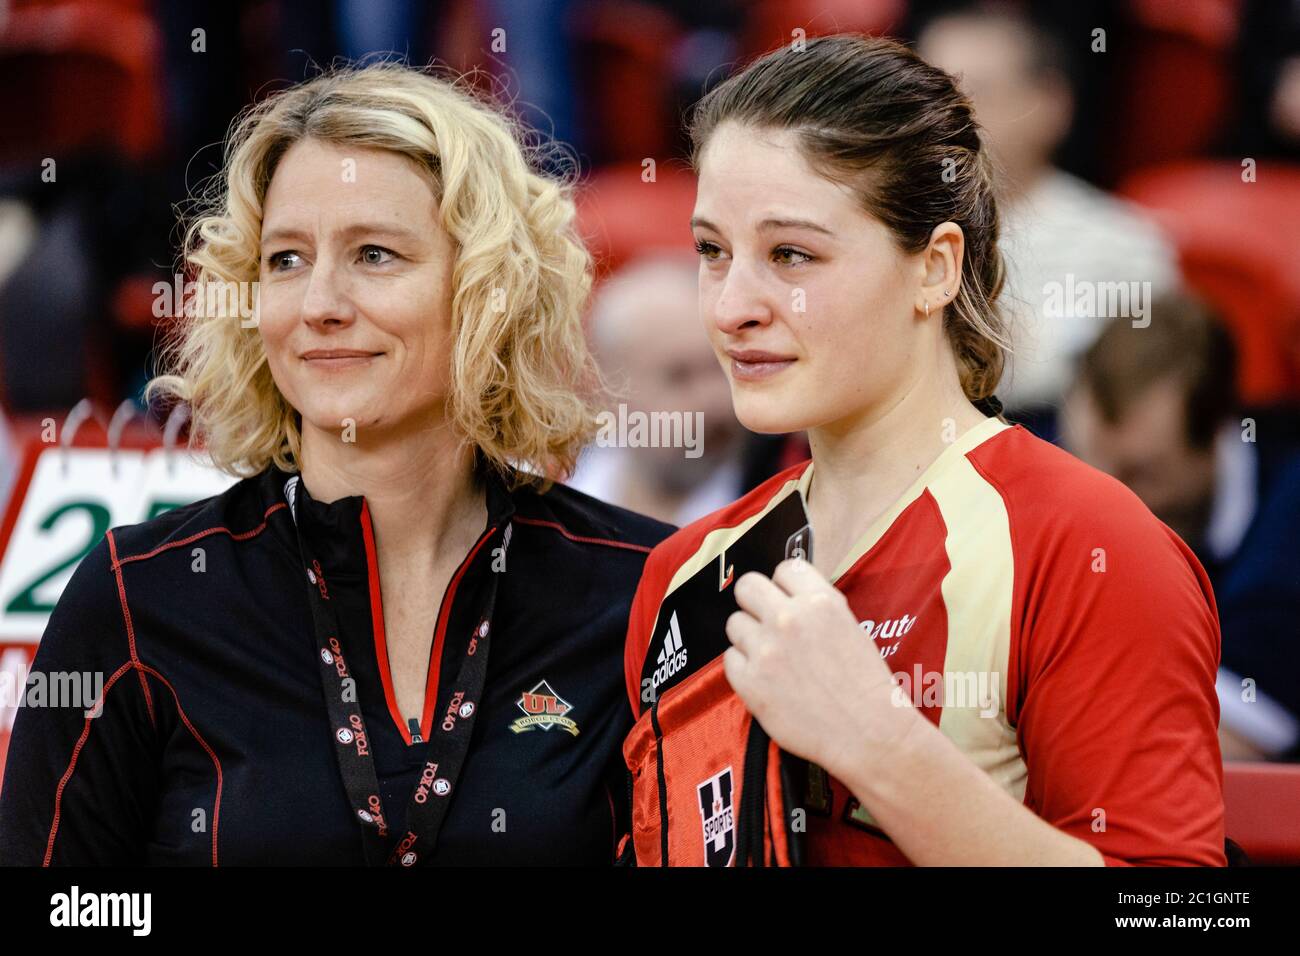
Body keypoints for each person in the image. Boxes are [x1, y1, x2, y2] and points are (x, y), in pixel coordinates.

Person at [0, 62, 672, 866]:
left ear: (490, 289)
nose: (318, 302)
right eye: (285, 259)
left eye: (375, 254)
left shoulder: (644, 590)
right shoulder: (138, 595)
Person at [623, 34, 1226, 866]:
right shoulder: (684, 570)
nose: (731, 307)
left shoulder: (1084, 543)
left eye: (791, 254)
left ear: (936, 268)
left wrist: (878, 744)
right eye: (711, 251)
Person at [917, 6, 1181, 434]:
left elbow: (1035, 375)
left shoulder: (1123, 244)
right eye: (929, 93)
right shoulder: (884, 225)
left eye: (976, 91)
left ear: (1050, 103)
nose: (944, 116)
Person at [1062, 295, 1300, 762]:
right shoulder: (1035, 447)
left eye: (1139, 473)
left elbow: (1204, 744)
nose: (1102, 498)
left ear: (1215, 439)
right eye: (1086, 466)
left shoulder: (1288, 520)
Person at [570, 252, 748, 525]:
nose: (711, 400)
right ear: (607, 390)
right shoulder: (543, 495)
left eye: (720, 367)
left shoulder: (782, 500)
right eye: (678, 377)